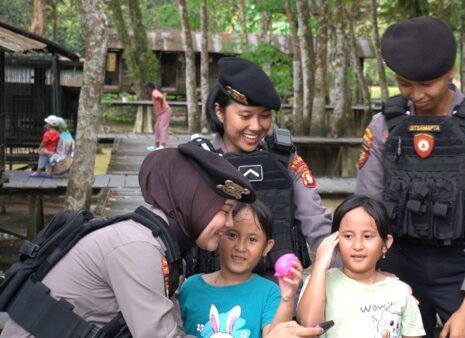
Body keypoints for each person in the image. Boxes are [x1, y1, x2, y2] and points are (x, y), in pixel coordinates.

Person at [1, 143, 323, 338]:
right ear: (191, 201)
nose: (227, 224)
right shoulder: (137, 248)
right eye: (223, 211)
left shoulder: (158, 246)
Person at [356, 16, 465, 338]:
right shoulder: (382, 126)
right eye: (404, 83)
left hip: (463, 271)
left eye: (426, 84)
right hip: (396, 266)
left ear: (451, 71)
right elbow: (367, 211)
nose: (416, 95)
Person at [195, 56, 337, 276]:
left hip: (279, 290)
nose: (256, 126)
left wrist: (350, 276)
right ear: (219, 112)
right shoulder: (198, 160)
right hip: (212, 289)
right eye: (245, 115)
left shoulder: (284, 159)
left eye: (264, 116)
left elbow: (316, 222)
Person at [297, 195, 425, 338]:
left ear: (385, 244)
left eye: (368, 236)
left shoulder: (400, 291)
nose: (357, 246)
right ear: (335, 240)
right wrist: (320, 266)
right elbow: (308, 328)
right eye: (348, 236)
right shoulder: (319, 283)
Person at [179, 201, 304, 337]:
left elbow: (277, 335)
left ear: (267, 247)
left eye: (252, 239)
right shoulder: (190, 287)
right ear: (219, 235)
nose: (240, 247)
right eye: (232, 235)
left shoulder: (270, 293)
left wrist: (287, 299)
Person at [145, 81, 172, 151]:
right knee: (157, 128)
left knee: (162, 128)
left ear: (149, 88)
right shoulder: (154, 92)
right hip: (161, 113)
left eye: (146, 89)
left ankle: (163, 145)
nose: (145, 91)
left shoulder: (154, 92)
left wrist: (162, 104)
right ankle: (156, 145)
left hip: (165, 111)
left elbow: (160, 97)